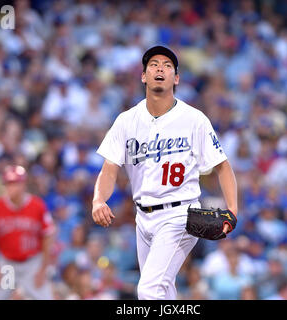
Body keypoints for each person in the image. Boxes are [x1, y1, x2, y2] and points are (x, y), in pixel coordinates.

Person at [92, 46, 238, 300]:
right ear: (143, 76)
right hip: (143, 218)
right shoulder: (126, 121)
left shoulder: (194, 119)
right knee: (164, 291)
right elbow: (109, 169)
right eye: (154, 64)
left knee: (149, 290)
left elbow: (222, 166)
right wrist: (98, 199)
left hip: (180, 215)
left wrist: (233, 211)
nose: (160, 68)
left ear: (177, 78)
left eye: (168, 65)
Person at [0, 165, 55, 299]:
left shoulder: (37, 205)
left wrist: (43, 267)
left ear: (23, 184)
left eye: (14, 183)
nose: (10, 187)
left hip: (32, 263)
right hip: (8, 263)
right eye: (8, 183)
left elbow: (47, 237)